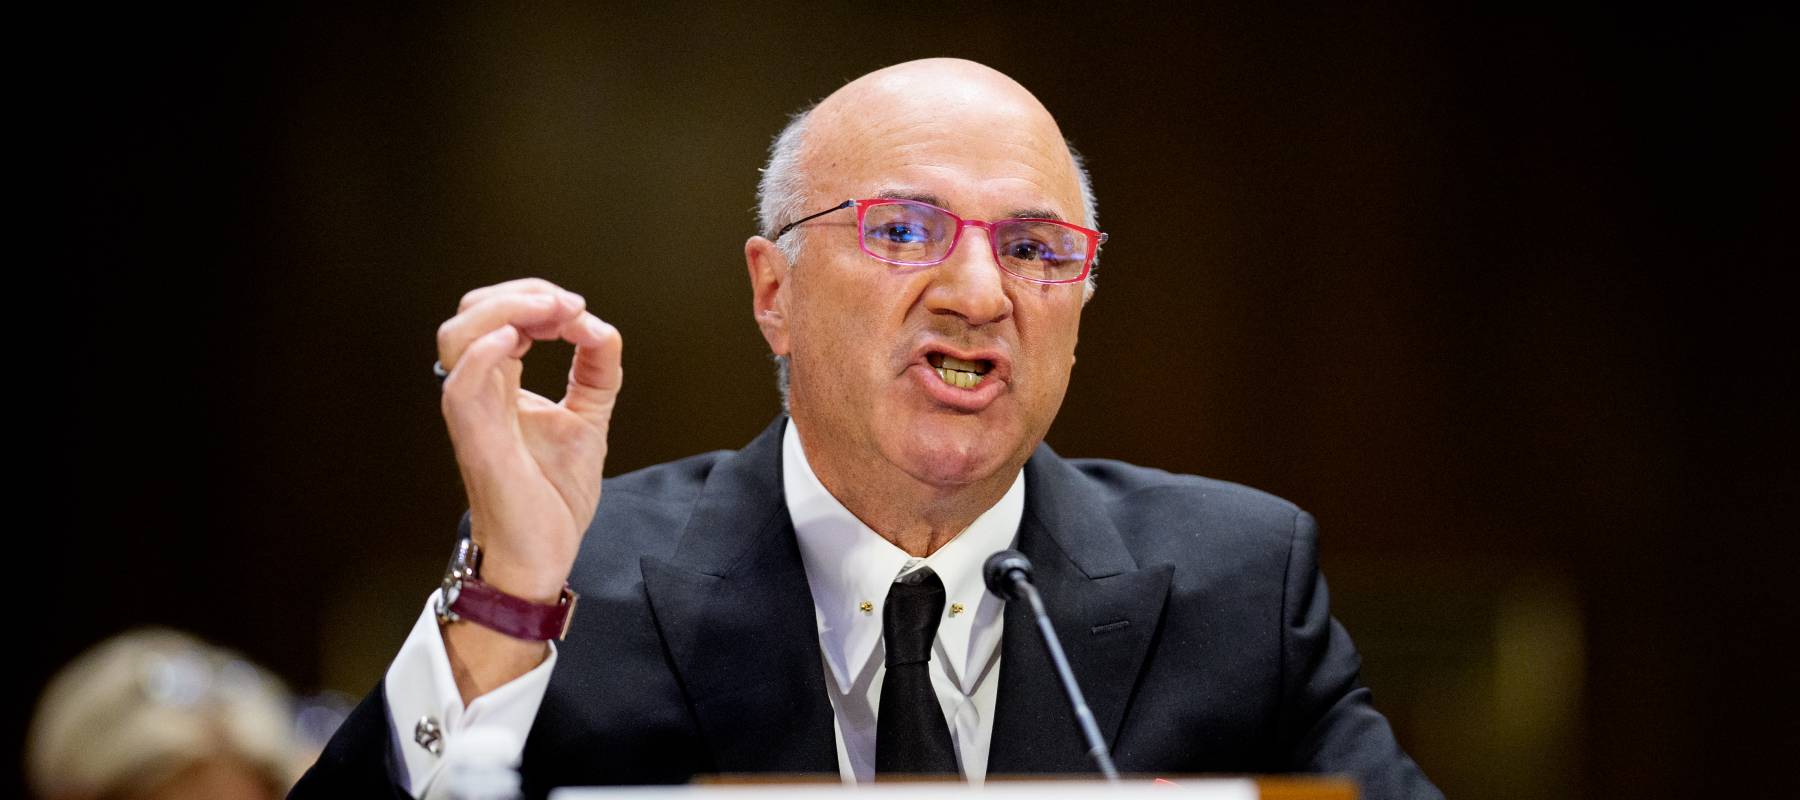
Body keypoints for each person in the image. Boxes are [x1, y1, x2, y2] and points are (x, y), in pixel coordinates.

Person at [293, 58, 1442, 799]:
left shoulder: (1239, 584)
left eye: (1037, 250)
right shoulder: (566, 584)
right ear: (772, 292)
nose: (981, 293)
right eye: (906, 229)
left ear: (1081, 311)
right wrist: (506, 605)